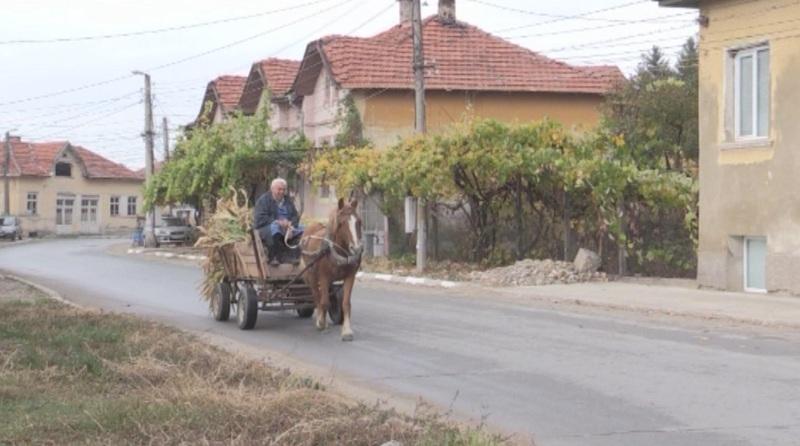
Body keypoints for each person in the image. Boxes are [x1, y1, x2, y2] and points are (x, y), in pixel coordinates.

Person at [254, 178, 303, 265]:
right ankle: (275, 257)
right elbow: (260, 218)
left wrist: (291, 224)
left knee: (304, 229)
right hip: (266, 228)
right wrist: (277, 222)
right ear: (272, 189)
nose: (282, 192)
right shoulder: (263, 200)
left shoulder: (288, 201)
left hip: (288, 227)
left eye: (284, 189)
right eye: (279, 189)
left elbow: (295, 216)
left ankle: (295, 256)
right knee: (275, 228)